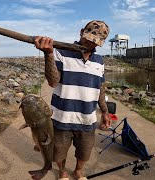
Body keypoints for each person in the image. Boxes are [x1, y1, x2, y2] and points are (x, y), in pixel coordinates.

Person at [34, 20, 111, 180]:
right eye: (88, 39)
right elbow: (53, 82)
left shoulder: (99, 61)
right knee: (59, 151)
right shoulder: (61, 52)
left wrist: (105, 111)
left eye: (95, 42)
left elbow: (100, 87)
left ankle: (78, 171)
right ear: (81, 31)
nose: (90, 44)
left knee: (85, 151)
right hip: (62, 117)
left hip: (87, 119)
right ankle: (62, 172)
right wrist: (48, 54)